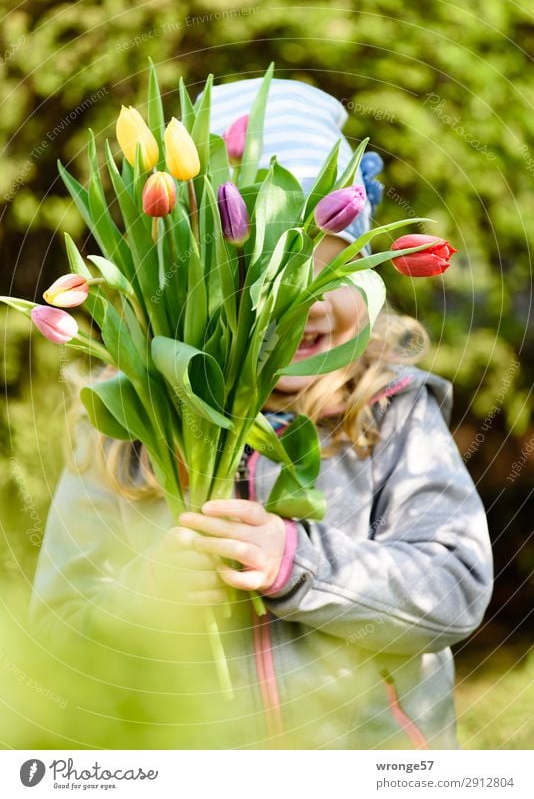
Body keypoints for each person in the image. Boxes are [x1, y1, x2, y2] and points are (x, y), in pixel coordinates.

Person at [29, 78, 493, 751]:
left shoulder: (390, 412)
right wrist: (144, 601)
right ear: (193, 285)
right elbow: (54, 632)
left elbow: (456, 585)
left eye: (332, 274)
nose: (308, 306)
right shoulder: (125, 427)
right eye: (266, 278)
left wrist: (299, 563)